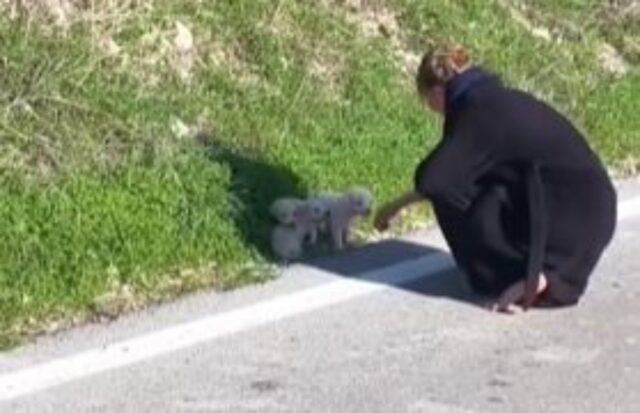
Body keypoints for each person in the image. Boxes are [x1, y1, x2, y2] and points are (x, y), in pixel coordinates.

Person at [374, 43, 617, 313]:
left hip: (571, 220)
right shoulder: (496, 98)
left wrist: (393, 206)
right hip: (594, 209)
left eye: (428, 101)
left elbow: (434, 179)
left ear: (437, 91)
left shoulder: (477, 110)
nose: (433, 110)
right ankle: (544, 275)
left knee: (452, 193)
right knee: (488, 183)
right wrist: (399, 204)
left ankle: (503, 277)